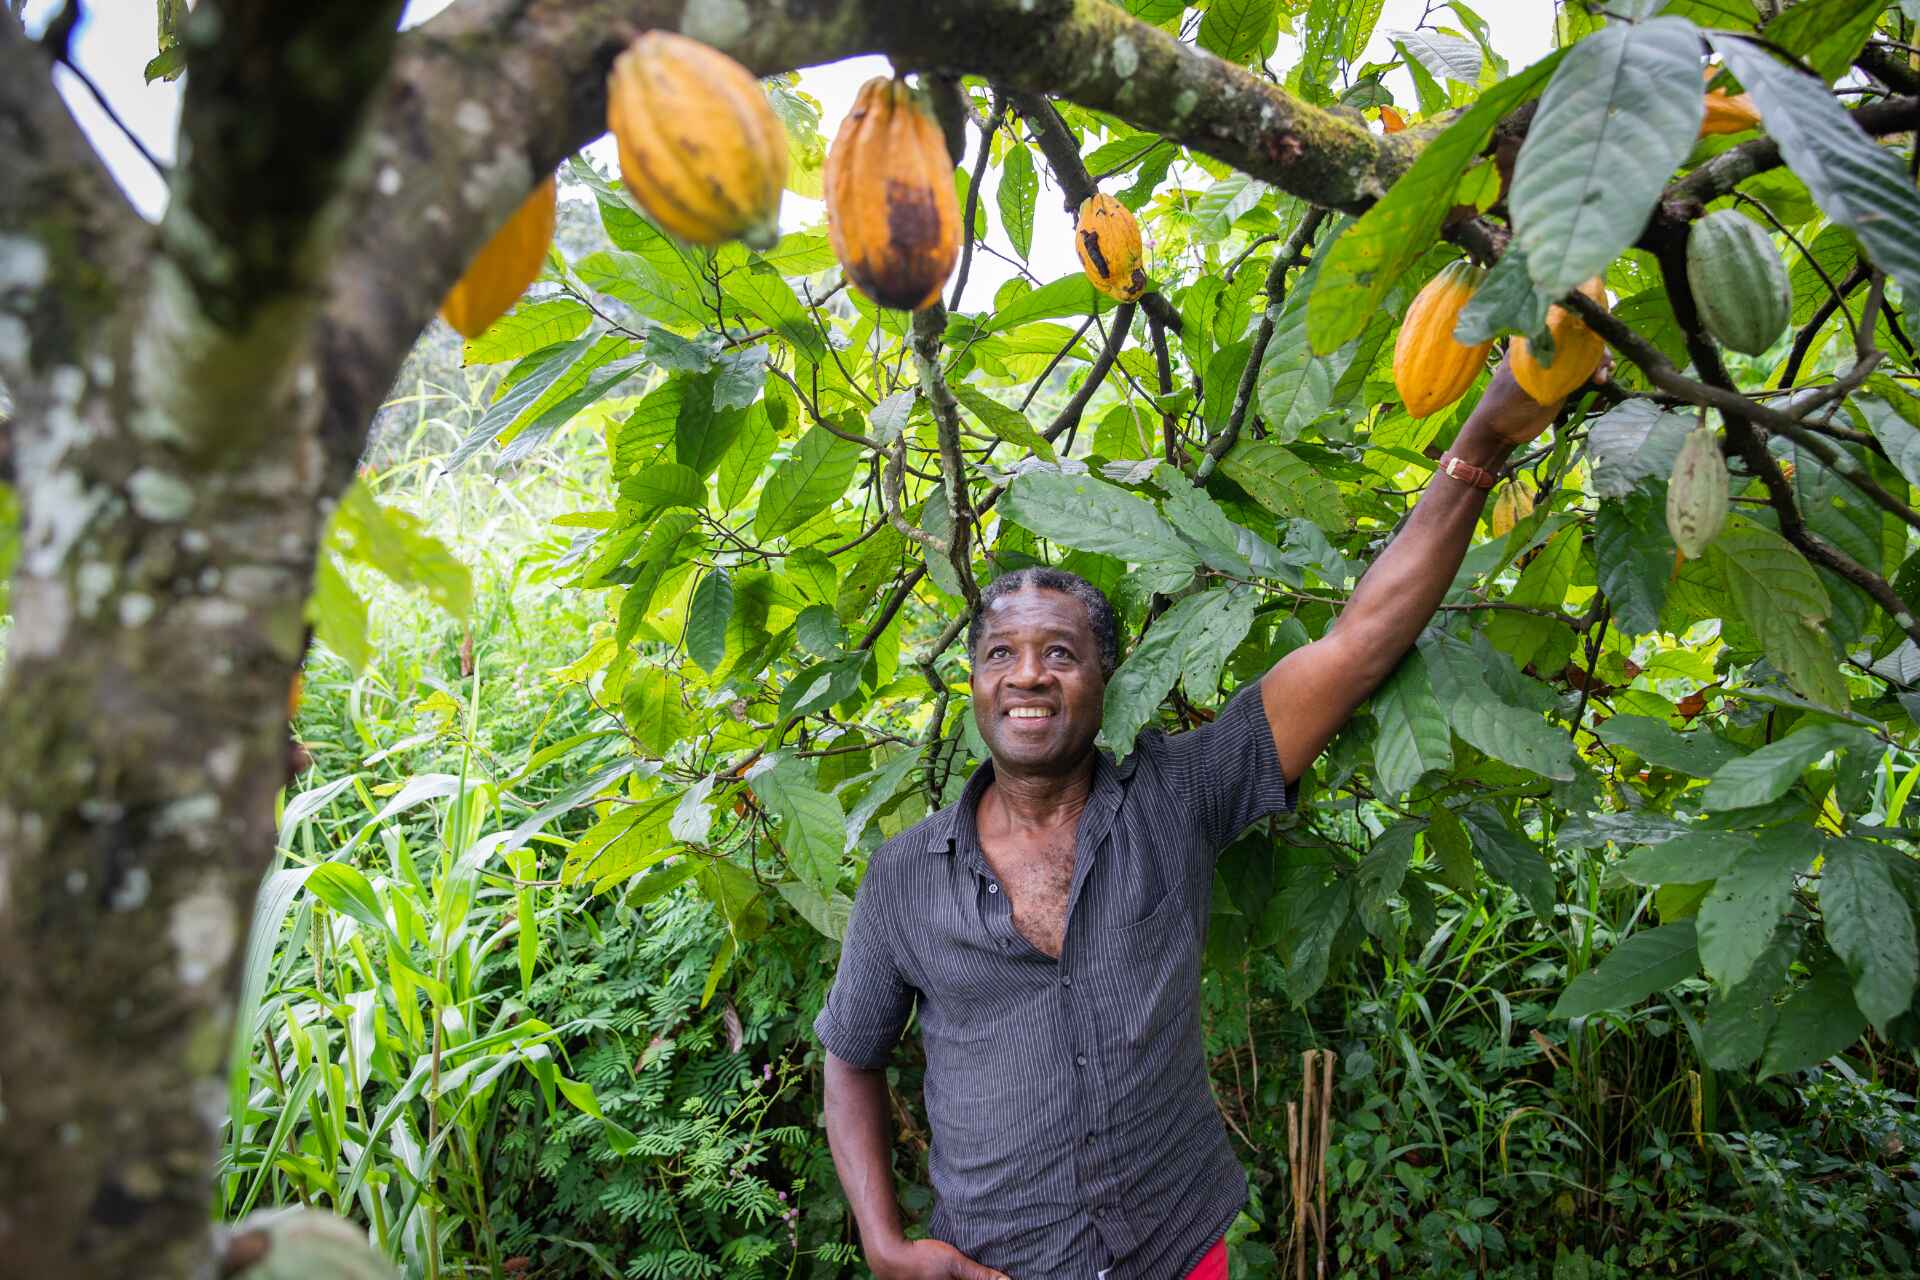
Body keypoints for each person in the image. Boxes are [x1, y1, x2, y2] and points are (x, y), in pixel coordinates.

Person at [813, 357, 1569, 1279]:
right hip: (992, 1263)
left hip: (1176, 1247)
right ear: (974, 684)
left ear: (1105, 679)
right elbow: (850, 1058)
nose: (1028, 675)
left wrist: (1480, 443)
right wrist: (885, 1247)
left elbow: (1358, 643)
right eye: (1000, 653)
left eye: (1061, 652)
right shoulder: (902, 875)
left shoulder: (1179, 794)